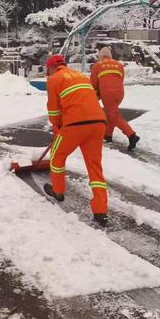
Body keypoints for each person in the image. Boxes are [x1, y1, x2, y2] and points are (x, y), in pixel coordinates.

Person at [44, 54, 109, 226]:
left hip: (75, 124)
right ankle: (101, 210)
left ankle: (58, 191)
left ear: (50, 68)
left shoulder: (53, 79)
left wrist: (57, 126)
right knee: (94, 167)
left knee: (57, 155)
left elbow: (53, 111)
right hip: (98, 123)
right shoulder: (81, 75)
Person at [90, 47, 140, 151]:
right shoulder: (118, 65)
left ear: (100, 56)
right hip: (120, 93)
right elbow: (120, 79)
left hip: (108, 94)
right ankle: (108, 135)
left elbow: (93, 84)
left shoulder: (97, 65)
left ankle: (132, 135)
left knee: (113, 115)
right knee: (111, 113)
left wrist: (95, 94)